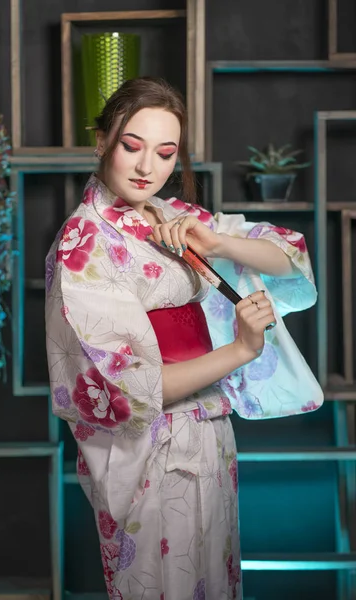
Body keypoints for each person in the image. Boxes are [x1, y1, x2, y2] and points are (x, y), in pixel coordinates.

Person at [45, 77, 322, 600]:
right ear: (101, 140)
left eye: (166, 152)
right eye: (132, 146)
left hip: (210, 433)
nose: (148, 167)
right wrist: (239, 351)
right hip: (151, 446)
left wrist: (218, 242)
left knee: (216, 583)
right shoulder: (83, 245)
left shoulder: (173, 217)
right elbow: (128, 386)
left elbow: (287, 253)